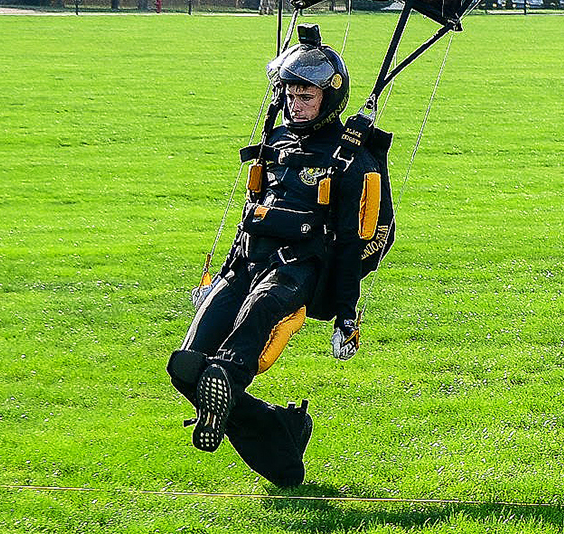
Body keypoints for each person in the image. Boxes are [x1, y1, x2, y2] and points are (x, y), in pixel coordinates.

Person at [167, 28, 395, 490]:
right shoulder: (277, 143)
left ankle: (235, 387)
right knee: (187, 366)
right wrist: (219, 275)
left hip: (295, 272)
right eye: (290, 94)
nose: (296, 103)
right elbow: (249, 214)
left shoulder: (352, 158)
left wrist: (346, 316)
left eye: (305, 95)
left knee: (232, 357)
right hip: (243, 265)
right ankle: (281, 431)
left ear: (328, 96)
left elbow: (356, 244)